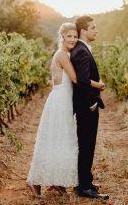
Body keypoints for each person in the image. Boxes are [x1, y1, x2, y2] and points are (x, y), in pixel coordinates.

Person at [26, 22, 105, 198]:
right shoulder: (62, 55)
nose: (72, 39)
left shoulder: (66, 54)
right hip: (59, 101)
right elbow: (77, 79)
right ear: (61, 37)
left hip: (63, 101)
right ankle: (34, 181)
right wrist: (97, 84)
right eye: (69, 36)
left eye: (75, 36)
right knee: (53, 141)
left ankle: (56, 181)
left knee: (61, 141)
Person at [70, 16, 109, 199]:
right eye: (93, 27)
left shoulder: (82, 49)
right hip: (87, 108)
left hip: (87, 107)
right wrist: (92, 103)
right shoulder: (81, 51)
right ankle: (84, 187)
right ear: (83, 31)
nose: (96, 30)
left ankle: (86, 181)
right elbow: (83, 82)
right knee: (86, 145)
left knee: (87, 145)